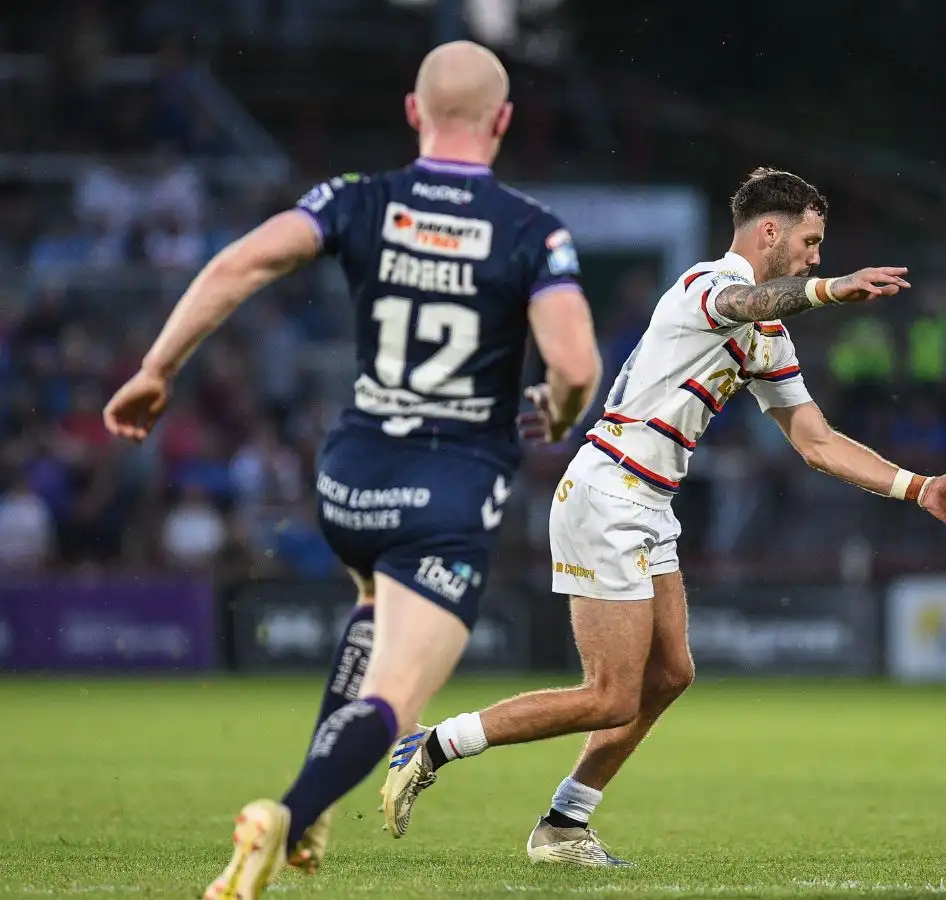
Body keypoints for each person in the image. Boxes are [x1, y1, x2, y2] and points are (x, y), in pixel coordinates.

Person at [102, 41, 602, 900]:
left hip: (348, 477)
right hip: (446, 490)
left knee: (373, 600)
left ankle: (317, 812)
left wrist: (157, 369)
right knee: (400, 698)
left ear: (414, 112)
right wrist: (557, 409)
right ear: (504, 122)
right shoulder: (531, 229)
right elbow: (577, 363)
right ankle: (286, 815)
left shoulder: (358, 198)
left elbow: (239, 264)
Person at [380, 167, 946, 866]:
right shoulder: (707, 287)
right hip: (608, 492)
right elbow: (749, 297)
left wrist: (919, 488)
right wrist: (830, 290)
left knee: (670, 675)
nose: (815, 256)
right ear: (769, 231)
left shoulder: (766, 334)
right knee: (609, 696)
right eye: (809, 242)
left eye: (821, 250)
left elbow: (817, 442)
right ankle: (435, 743)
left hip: (648, 502)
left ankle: (564, 825)